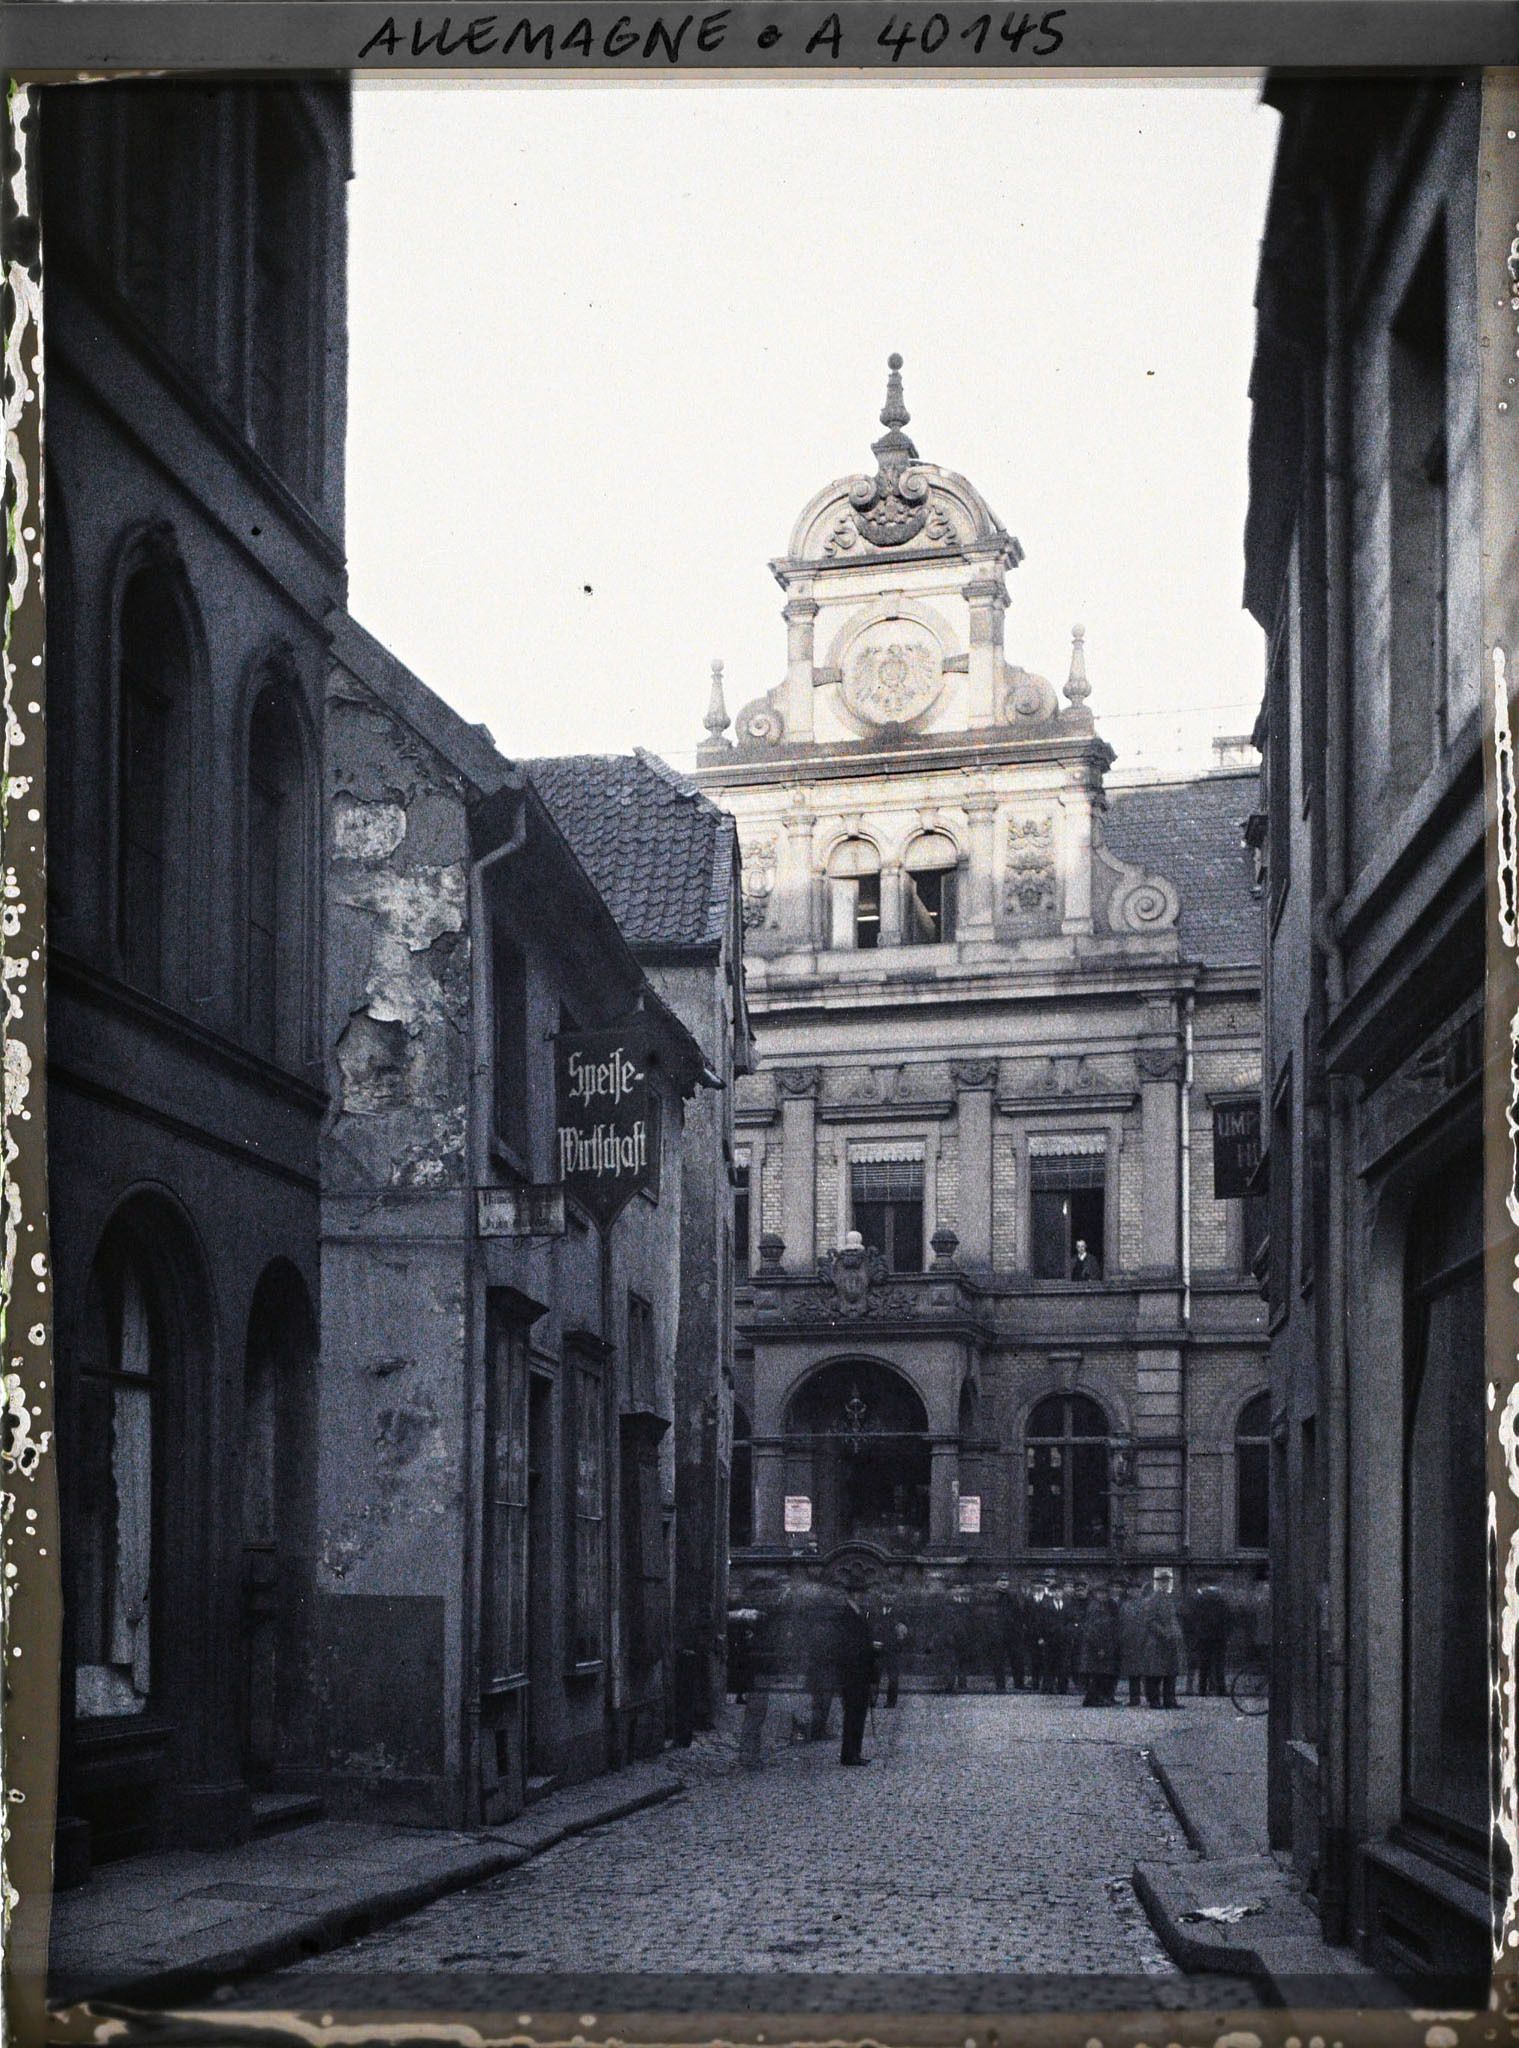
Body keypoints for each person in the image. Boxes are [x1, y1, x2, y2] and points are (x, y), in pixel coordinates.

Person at [834, 1591, 878, 1766]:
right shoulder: (847, 1615)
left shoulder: (859, 1613)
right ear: (853, 1595)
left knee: (858, 1713)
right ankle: (849, 1754)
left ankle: (854, 1752)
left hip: (860, 1671)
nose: (863, 1596)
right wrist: (869, 1649)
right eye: (860, 1592)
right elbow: (850, 1646)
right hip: (853, 1672)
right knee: (853, 1713)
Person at [1140, 1568, 1186, 1708]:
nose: (1165, 1584)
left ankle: (1170, 1700)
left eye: (1167, 1581)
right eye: (1162, 1582)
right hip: (1157, 1643)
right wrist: (1163, 1633)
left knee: (1170, 1674)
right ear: (1157, 1583)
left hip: (1171, 1642)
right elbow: (1150, 1620)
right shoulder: (1153, 1599)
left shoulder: (1170, 1598)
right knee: (1156, 1674)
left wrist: (1175, 1634)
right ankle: (1154, 1701)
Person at [1078, 1583, 1121, 1705]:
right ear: (1095, 1594)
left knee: (1103, 1674)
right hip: (1096, 1646)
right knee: (1098, 1674)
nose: (1103, 1595)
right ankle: (1092, 1699)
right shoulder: (1095, 1607)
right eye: (1100, 1593)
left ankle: (1103, 1697)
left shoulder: (1105, 1606)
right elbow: (1092, 1630)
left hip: (1104, 1644)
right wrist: (1099, 1647)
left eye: (1104, 1593)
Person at [1189, 1579, 1232, 1697]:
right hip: (1219, 1636)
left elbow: (1193, 1617)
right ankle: (1221, 1689)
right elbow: (1228, 1617)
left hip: (1203, 1636)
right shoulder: (1221, 1599)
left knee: (1204, 1664)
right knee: (1219, 1664)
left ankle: (1202, 1689)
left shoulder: (1200, 1599)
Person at [1118, 1578, 1147, 1705]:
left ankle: (1151, 1697)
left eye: (1137, 1590)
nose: (1135, 1592)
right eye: (1132, 1590)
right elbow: (1121, 1623)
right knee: (1133, 1673)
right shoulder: (1125, 1606)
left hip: (1144, 1641)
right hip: (1129, 1642)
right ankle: (1134, 1698)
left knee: (1147, 1673)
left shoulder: (1146, 1605)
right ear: (1129, 1592)